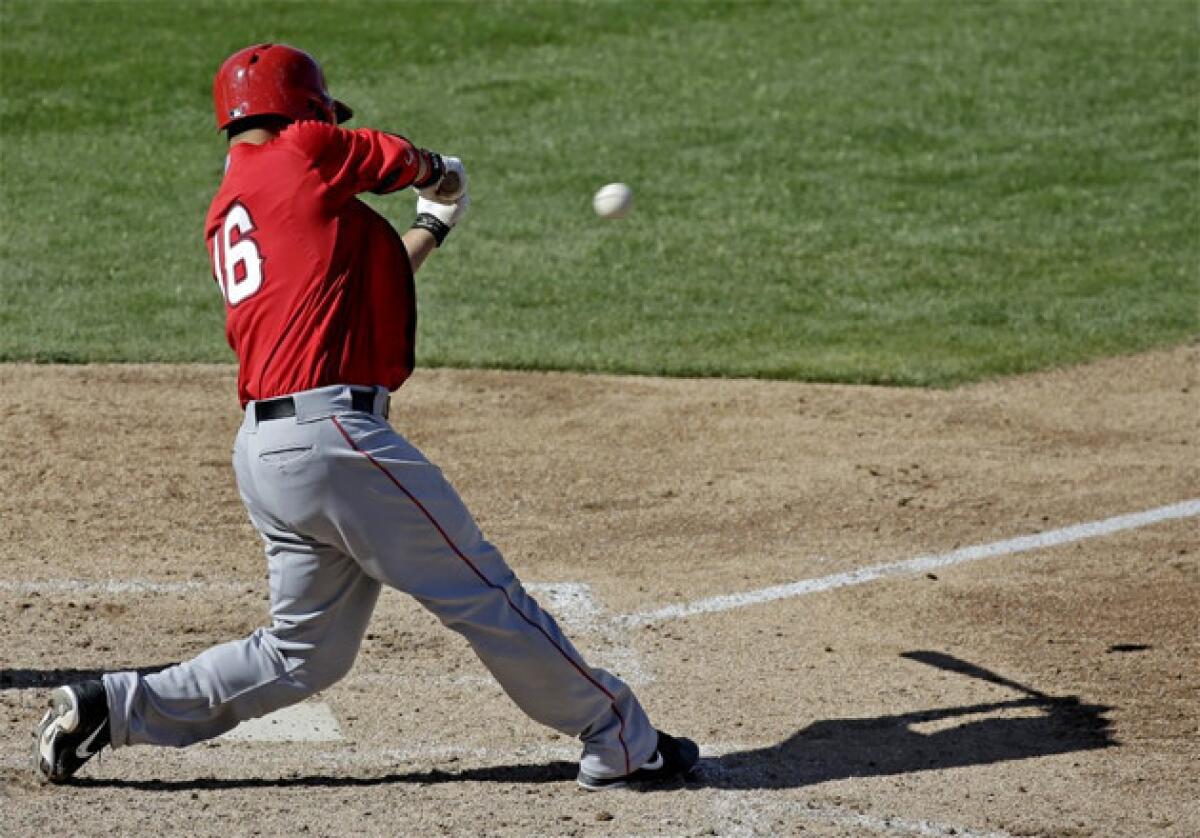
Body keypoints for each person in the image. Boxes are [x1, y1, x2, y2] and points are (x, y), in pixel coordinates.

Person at [33, 43, 697, 792]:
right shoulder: (305, 148)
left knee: (303, 654)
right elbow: (405, 160)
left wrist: (435, 227)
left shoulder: (235, 211)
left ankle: (111, 709)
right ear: (303, 108)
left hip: (269, 452)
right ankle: (617, 732)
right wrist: (444, 175)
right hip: (335, 443)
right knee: (482, 590)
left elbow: (348, 292)